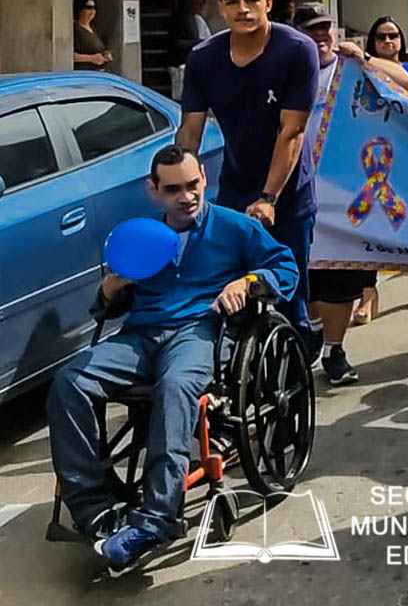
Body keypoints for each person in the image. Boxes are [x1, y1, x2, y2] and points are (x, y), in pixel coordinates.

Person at [47, 145, 298, 576]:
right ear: (154, 191)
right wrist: (110, 288)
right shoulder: (142, 236)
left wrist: (249, 280)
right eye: (174, 189)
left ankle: (156, 517)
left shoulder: (233, 227)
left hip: (199, 330)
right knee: (70, 381)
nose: (187, 196)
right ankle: (94, 509)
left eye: (194, 184)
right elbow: (109, 305)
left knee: (177, 386)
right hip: (141, 334)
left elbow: (286, 267)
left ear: (204, 176)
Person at [175, 0, 318, 340]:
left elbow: (293, 132)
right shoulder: (204, 58)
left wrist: (269, 198)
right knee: (229, 297)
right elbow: (190, 131)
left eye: (252, 0)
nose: (243, 9)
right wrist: (175, 188)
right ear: (221, 9)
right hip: (234, 191)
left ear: (267, 3)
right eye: (232, 2)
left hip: (286, 195)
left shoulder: (296, 50)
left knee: (287, 298)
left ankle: (298, 368)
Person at [293, 2, 370, 384]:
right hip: (294, 188)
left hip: (344, 193)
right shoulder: (286, 72)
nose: (321, 36)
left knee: (340, 277)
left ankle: (333, 350)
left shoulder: (349, 68)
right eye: (311, 30)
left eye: (325, 29)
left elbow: (405, 83)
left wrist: (365, 57)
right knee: (303, 274)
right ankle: (309, 333)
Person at [341, 17, 408, 315]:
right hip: (371, 157)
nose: (388, 41)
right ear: (373, 41)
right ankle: (368, 293)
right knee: (372, 228)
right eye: (381, 37)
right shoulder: (358, 72)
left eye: (394, 36)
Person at [168, 0, 211, 101]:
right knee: (179, 98)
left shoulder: (196, 19)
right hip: (179, 65)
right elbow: (176, 42)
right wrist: (197, 42)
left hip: (191, 64)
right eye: (196, 2)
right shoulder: (180, 18)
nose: (199, 6)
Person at [73, 0, 112, 72]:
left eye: (94, 8)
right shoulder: (75, 30)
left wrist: (105, 55)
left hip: (97, 72)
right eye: (88, 8)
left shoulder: (94, 28)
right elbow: (69, 56)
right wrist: (91, 58)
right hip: (84, 73)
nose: (92, 11)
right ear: (79, 9)